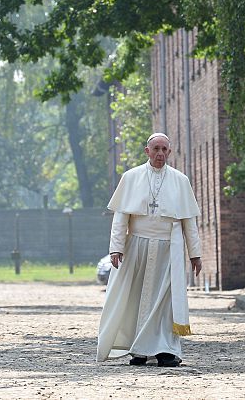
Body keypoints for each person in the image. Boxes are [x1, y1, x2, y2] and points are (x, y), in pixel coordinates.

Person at [97, 133, 202, 367]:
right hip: (136, 248)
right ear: (147, 151)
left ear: (170, 152)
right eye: (156, 149)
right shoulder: (131, 177)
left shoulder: (180, 181)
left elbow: (189, 222)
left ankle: (165, 350)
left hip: (168, 250)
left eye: (165, 149)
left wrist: (195, 254)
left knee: (164, 302)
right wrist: (116, 248)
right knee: (136, 298)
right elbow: (121, 217)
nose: (160, 154)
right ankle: (138, 351)